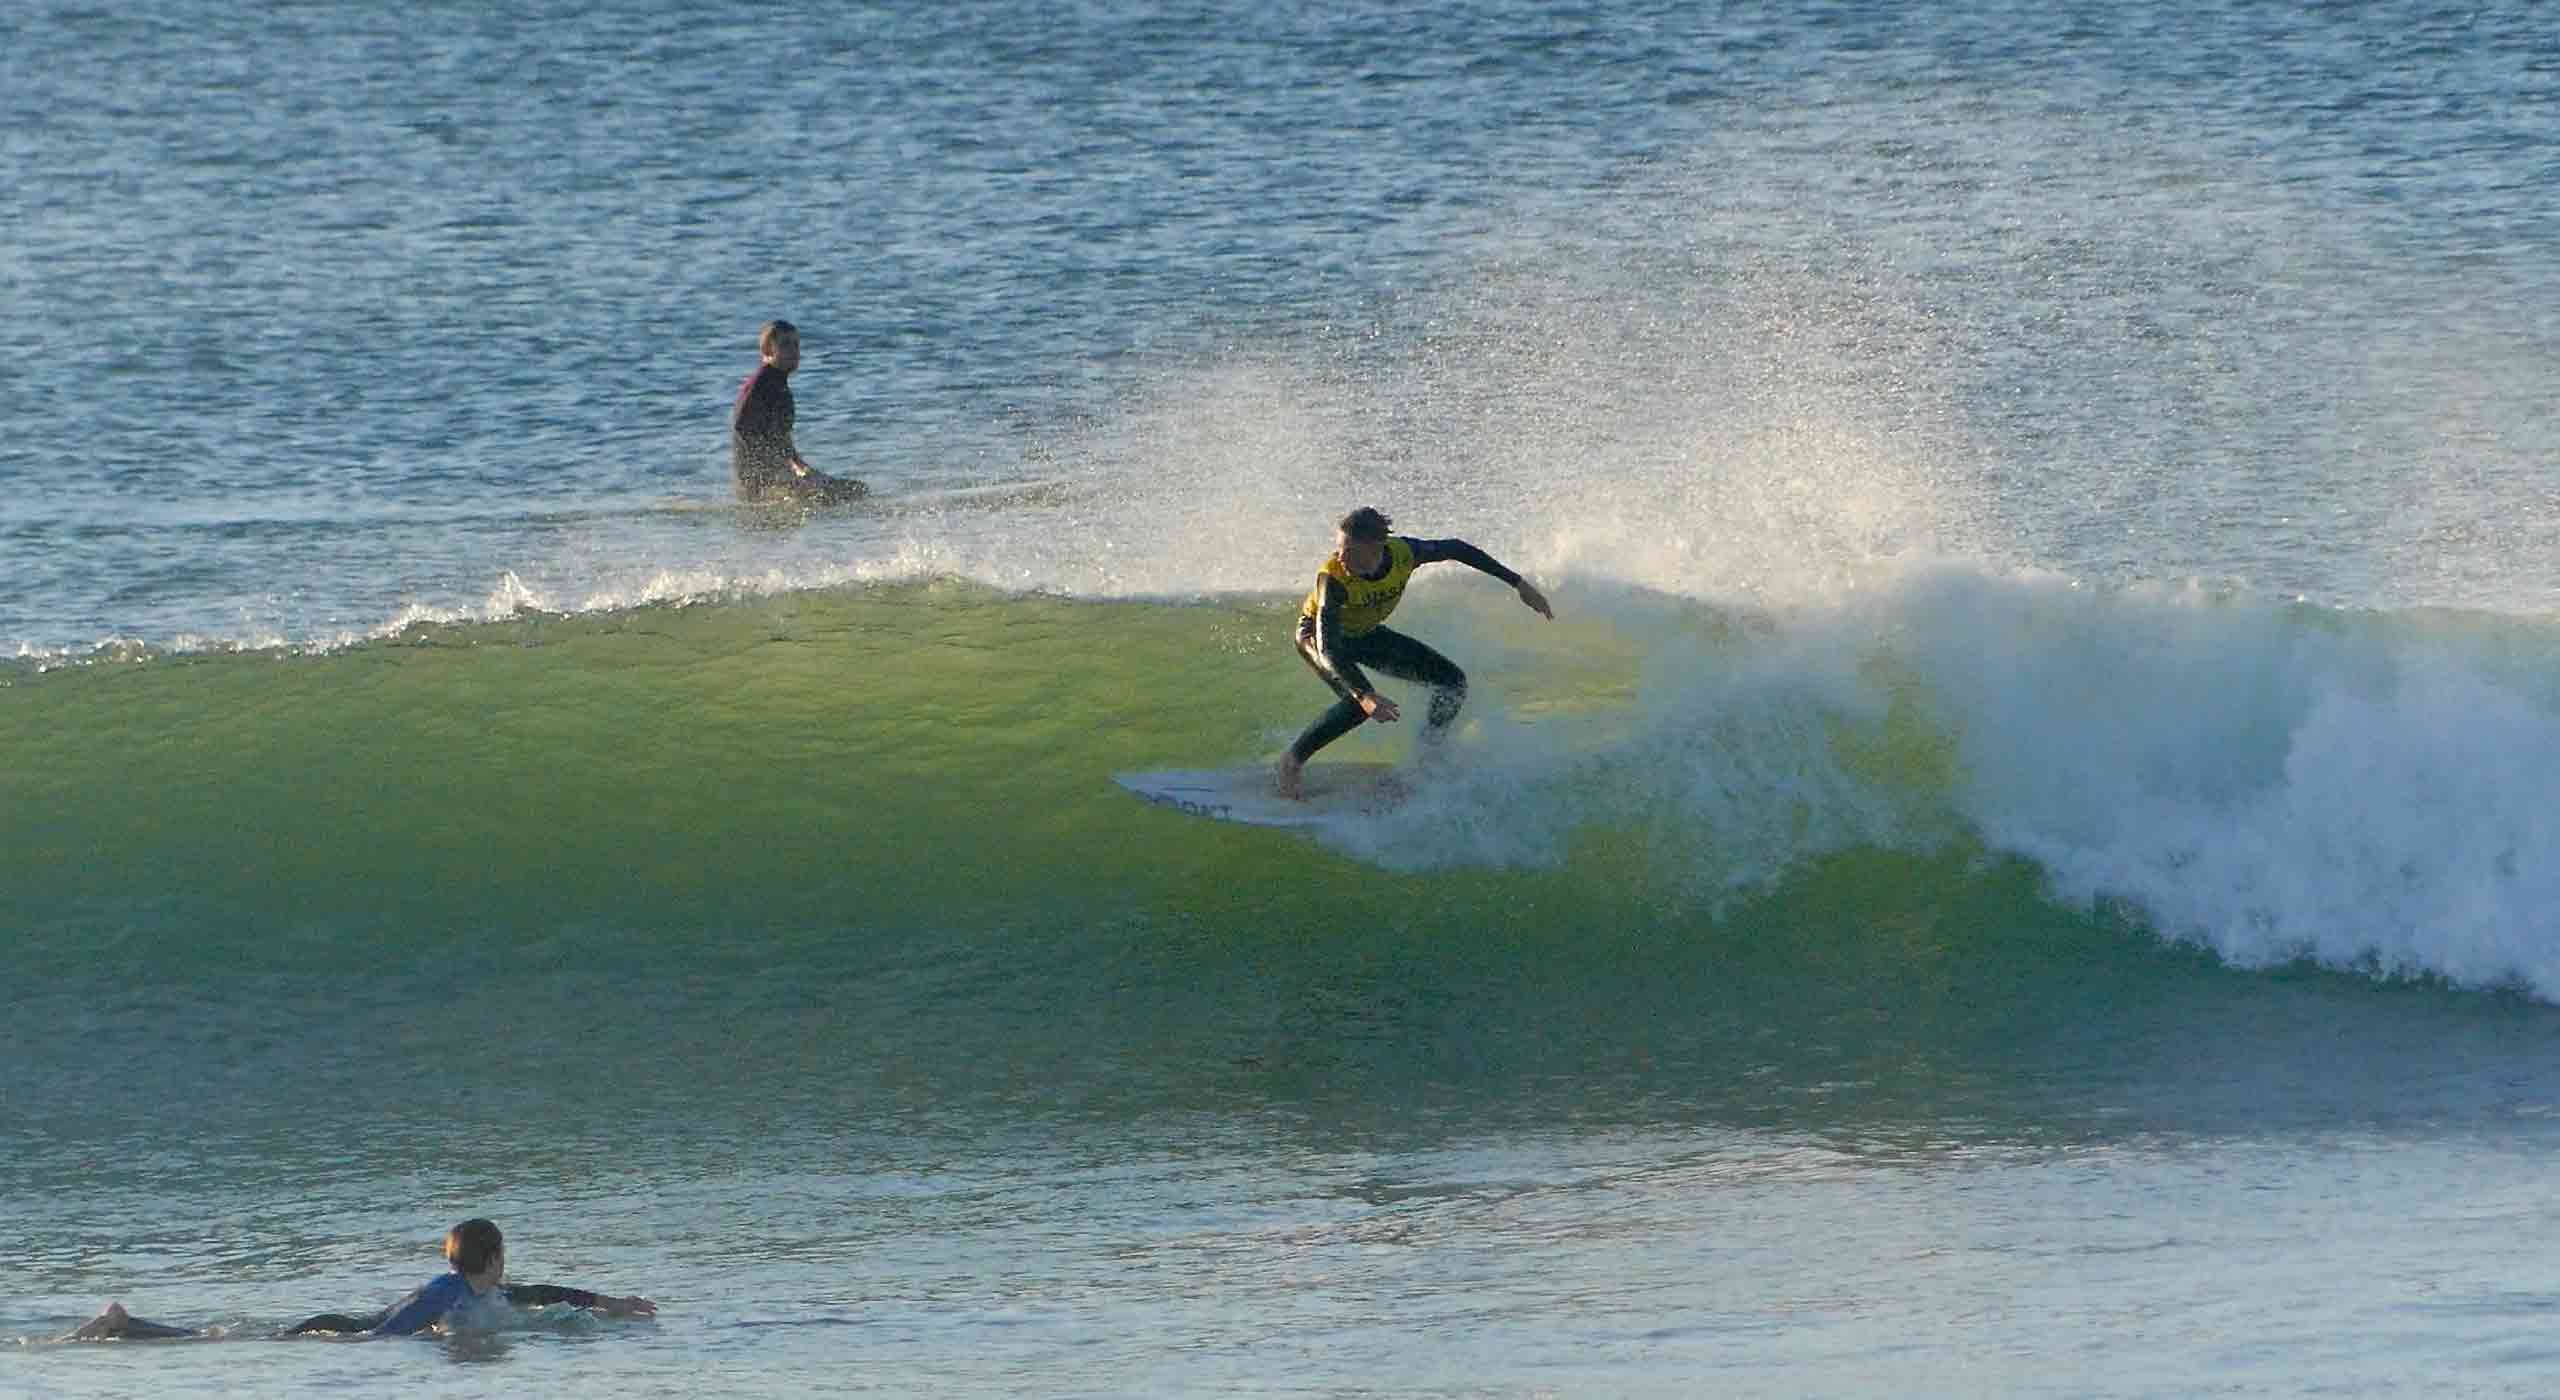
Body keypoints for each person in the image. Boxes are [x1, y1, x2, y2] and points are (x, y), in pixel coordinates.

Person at [1277, 506, 1552, 799]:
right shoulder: (1332, 579)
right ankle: (1291, 762)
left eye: (1349, 551)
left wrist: (1518, 583)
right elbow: (1328, 646)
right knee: (1357, 704)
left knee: (1451, 683)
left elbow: (1457, 549)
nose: (1340, 557)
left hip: (1364, 633)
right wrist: (1365, 695)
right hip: (1317, 637)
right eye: (1339, 548)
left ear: (1376, 548)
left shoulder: (1403, 553)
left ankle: (1425, 759)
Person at [64, 1218, 654, 1341]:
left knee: (214, 1336)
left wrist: (610, 1303)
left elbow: (540, 1294)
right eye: (506, 1253)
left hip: (352, 1325)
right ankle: (121, 1323)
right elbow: (392, 1332)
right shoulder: (446, 1293)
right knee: (210, 1341)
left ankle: (123, 1323)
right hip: (336, 1330)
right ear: (492, 1257)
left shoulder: (478, 1287)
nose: (510, 1264)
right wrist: (361, 1352)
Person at [732, 318, 869, 505]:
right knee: (848, 495)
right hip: (762, 483)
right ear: (767, 350)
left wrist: (802, 467)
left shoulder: (778, 383)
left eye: (796, 344)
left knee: (855, 490)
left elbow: (779, 436)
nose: (793, 351)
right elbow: (743, 428)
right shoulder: (760, 384)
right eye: (785, 344)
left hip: (778, 474)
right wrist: (776, 473)